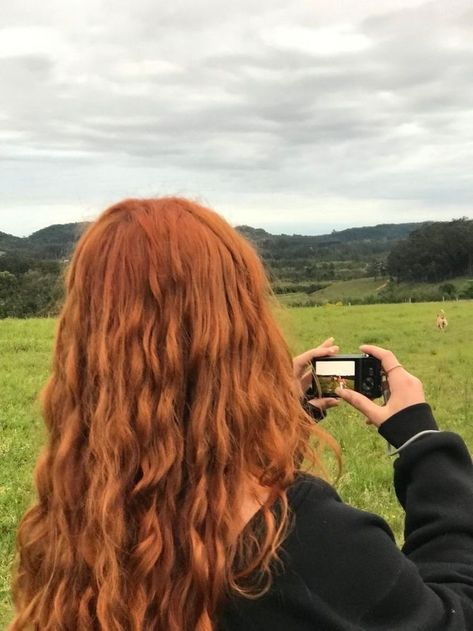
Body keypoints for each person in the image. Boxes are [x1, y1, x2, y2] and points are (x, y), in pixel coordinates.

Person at [9, 198, 473, 631]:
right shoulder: (298, 540)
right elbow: (455, 610)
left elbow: (188, 475)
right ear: (241, 331)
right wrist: (422, 443)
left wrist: (274, 422)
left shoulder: (78, 519)